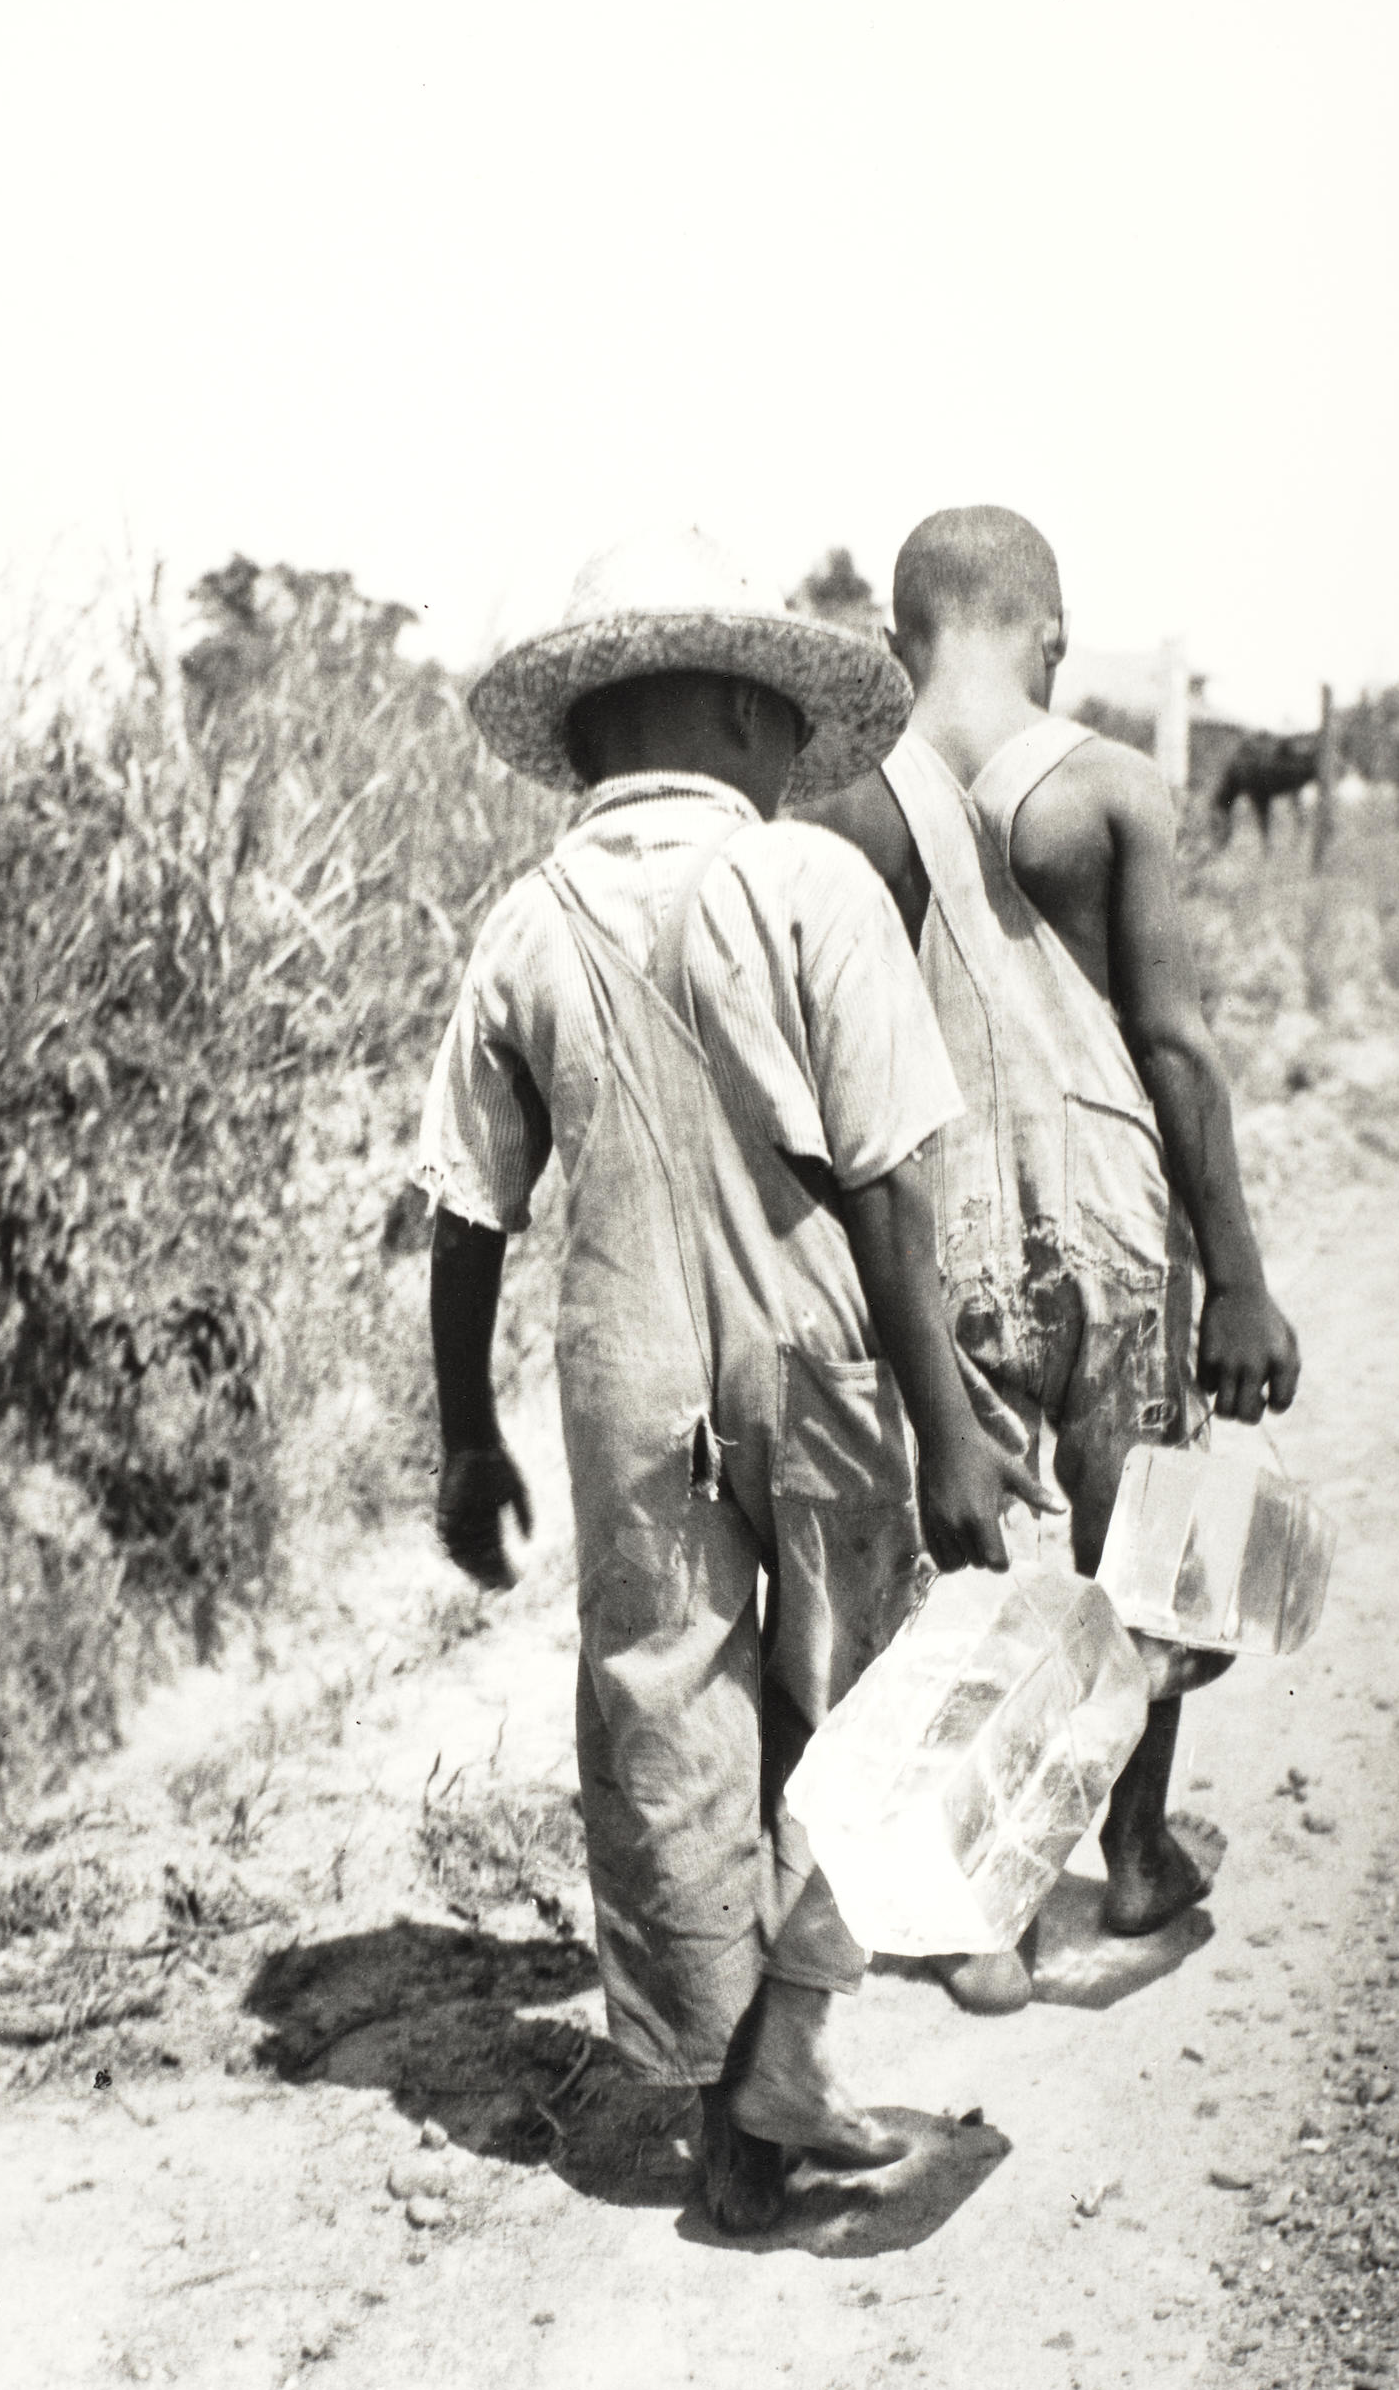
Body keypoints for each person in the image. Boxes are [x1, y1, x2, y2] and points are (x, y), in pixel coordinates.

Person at [417, 528, 1046, 2233]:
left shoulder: (522, 926)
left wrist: (470, 1439)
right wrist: (950, 1427)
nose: (790, 753)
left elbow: (466, 1213)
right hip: (825, 1355)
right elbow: (900, 1188)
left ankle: (721, 2120)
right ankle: (783, 2056)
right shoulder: (812, 885)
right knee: (874, 1697)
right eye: (775, 720)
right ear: (715, 716)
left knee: (661, 1705)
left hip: (624, 1379)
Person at [805, 505, 1300, 2011]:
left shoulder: (846, 814)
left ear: (897, 644)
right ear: (1055, 632)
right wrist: (1242, 1275)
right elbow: (1176, 1046)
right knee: (1142, 1545)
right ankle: (1136, 1854)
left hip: (941, 1228)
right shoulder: (1113, 790)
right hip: (1116, 1226)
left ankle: (994, 1915)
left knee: (972, 1573)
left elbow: (831, 1083)